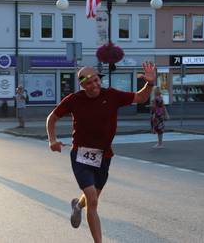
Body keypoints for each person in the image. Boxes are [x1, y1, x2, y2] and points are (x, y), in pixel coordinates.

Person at [46, 62, 156, 243]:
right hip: (81, 155)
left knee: (92, 198)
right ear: (82, 85)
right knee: (93, 200)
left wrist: (150, 83)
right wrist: (52, 140)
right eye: (89, 83)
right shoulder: (74, 99)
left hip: (103, 156)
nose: (95, 85)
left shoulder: (111, 95)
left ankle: (77, 205)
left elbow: (140, 98)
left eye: (96, 80)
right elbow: (52, 118)